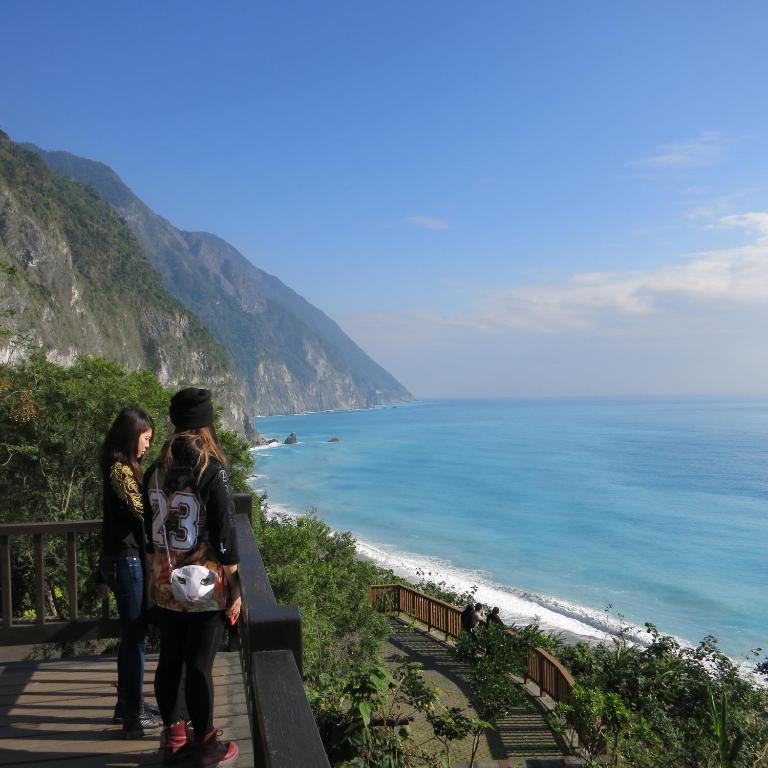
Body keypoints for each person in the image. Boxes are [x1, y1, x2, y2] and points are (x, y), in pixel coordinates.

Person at [144, 388, 241, 767]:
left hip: (165, 583)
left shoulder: (156, 470)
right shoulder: (210, 470)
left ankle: (174, 735)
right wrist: (235, 584)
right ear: (205, 423)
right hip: (204, 586)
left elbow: (147, 528)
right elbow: (223, 534)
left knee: (169, 659)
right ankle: (207, 744)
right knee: (200, 665)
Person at [100, 406, 161, 739]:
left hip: (123, 560)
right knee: (137, 637)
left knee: (133, 637)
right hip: (126, 561)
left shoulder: (119, 467)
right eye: (146, 438)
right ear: (132, 435)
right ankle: (133, 716)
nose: (148, 445)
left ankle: (128, 705)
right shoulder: (120, 472)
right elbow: (143, 511)